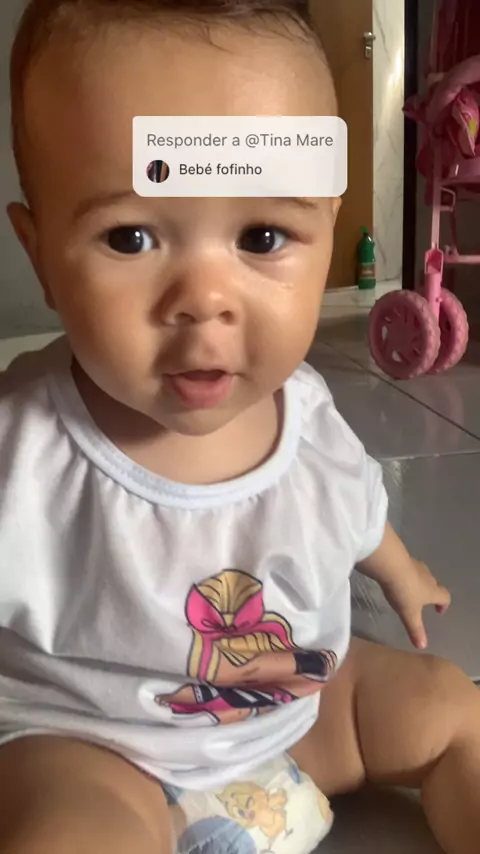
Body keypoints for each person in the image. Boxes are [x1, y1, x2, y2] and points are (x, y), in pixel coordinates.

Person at [0, 1, 479, 853]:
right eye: (130, 236)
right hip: (97, 744)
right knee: (67, 830)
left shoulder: (311, 416)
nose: (205, 299)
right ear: (39, 253)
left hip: (296, 714)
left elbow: (356, 512)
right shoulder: (23, 443)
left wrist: (402, 574)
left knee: (450, 705)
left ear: (326, 228)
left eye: (262, 235)